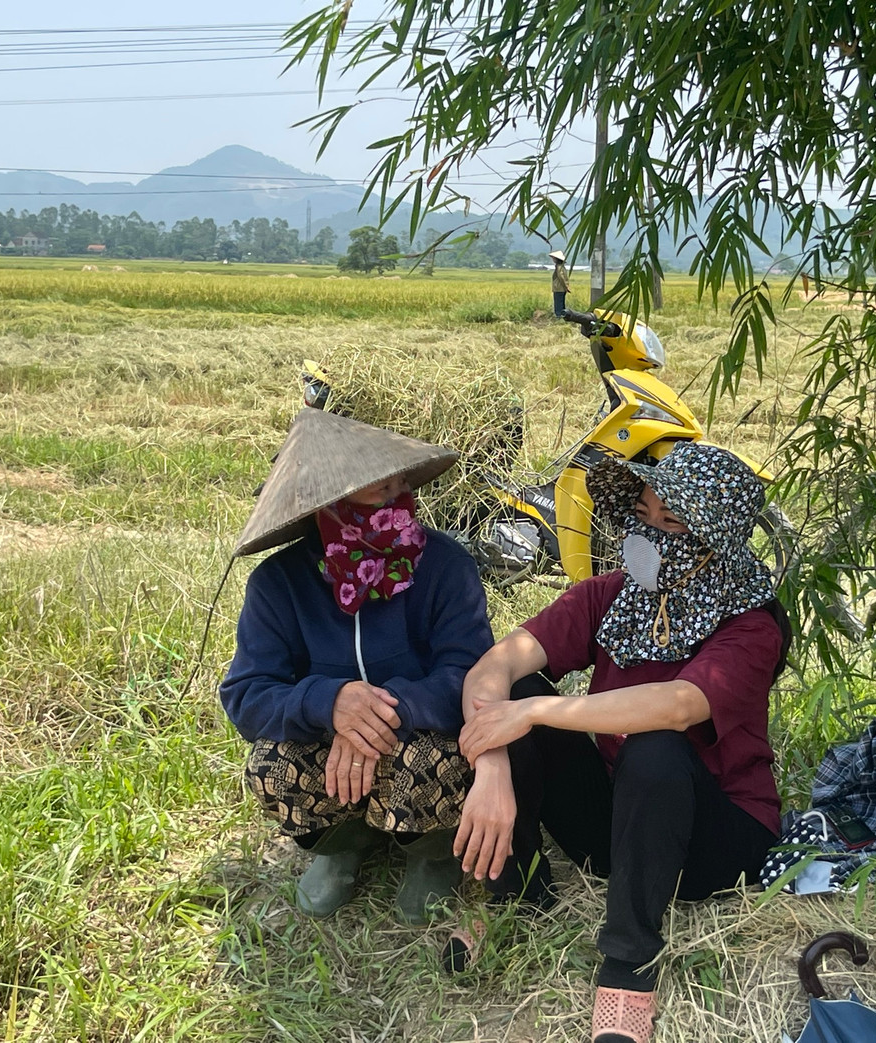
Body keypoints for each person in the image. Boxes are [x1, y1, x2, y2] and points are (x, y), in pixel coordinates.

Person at [449, 442, 789, 1043]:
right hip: (621, 825)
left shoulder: (752, 624)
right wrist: (494, 761)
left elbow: (678, 704)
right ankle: (515, 892)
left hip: (716, 838)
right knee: (520, 689)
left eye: (673, 522)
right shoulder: (613, 595)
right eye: (645, 514)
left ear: (720, 540)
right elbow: (492, 668)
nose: (651, 534)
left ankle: (628, 969)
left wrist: (534, 710)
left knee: (652, 745)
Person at [220, 408, 495, 926]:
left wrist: (380, 711)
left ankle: (431, 852)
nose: (393, 497)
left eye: (395, 483)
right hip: (327, 743)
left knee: (427, 759)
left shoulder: (445, 565)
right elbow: (247, 695)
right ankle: (343, 845)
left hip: (419, 734)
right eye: (374, 488)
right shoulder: (278, 584)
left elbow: (469, 671)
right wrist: (330, 702)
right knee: (270, 766)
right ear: (328, 503)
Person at [550, 250, 570, 316]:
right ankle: (563, 316)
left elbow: (561, 278)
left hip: (559, 288)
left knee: (558, 304)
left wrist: (566, 287)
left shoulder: (559, 267)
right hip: (562, 289)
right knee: (561, 303)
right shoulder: (561, 267)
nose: (553, 259)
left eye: (553, 258)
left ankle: (559, 316)